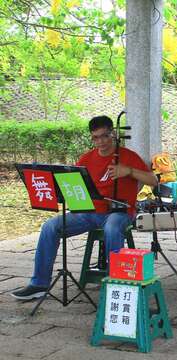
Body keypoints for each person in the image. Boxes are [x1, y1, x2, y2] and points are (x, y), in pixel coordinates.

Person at [12, 115, 158, 300]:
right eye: (96, 137)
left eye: (105, 136)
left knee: (112, 227)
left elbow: (153, 181)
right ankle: (39, 284)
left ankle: (116, 283)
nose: (101, 142)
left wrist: (128, 171)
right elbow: (72, 187)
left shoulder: (128, 156)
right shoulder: (87, 159)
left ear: (113, 134)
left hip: (119, 212)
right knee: (50, 227)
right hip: (88, 212)